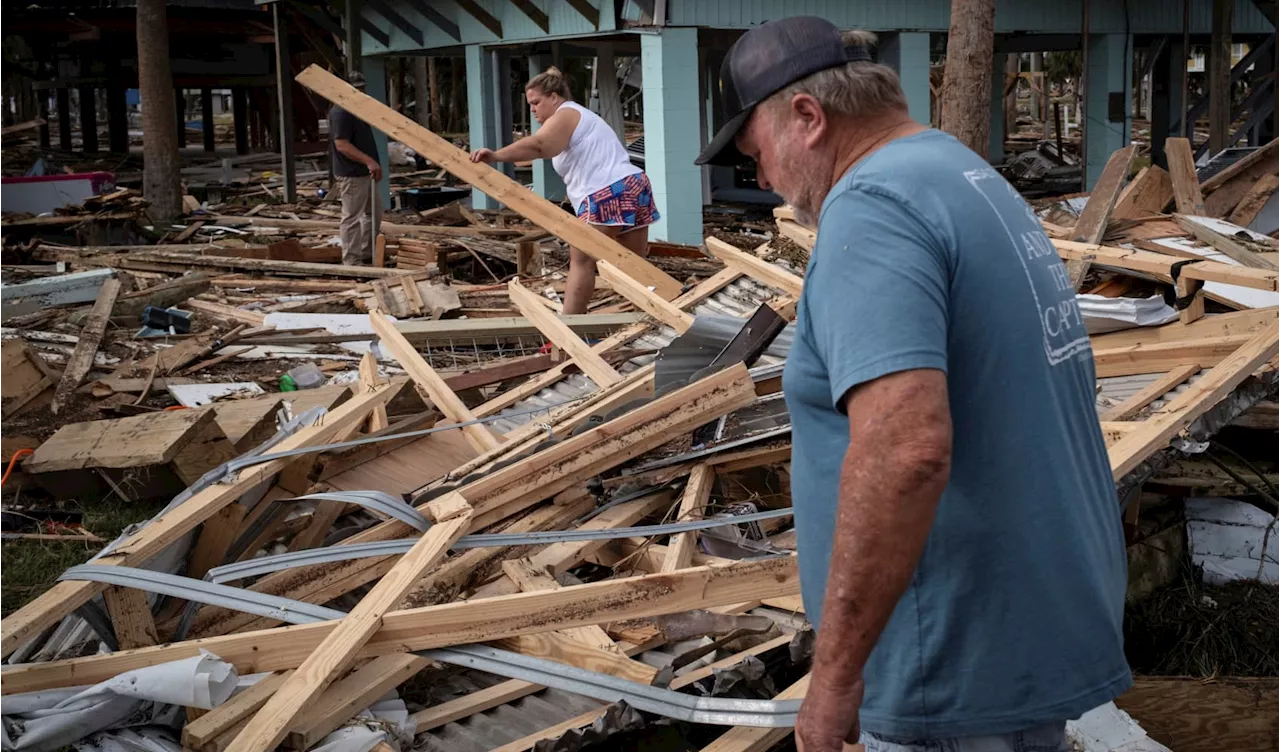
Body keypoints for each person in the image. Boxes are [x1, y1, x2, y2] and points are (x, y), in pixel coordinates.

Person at [695, 17, 1131, 752]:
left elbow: (906, 451)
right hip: (1015, 633)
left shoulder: (873, 210)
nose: (763, 182)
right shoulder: (955, 172)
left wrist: (834, 681)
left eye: (755, 156)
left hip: (948, 660)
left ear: (806, 118)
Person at [469, 66, 658, 314]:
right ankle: (651, 319)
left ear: (555, 97)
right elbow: (544, 152)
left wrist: (495, 155)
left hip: (607, 190)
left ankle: (570, 331)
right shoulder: (580, 119)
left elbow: (539, 146)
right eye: (530, 104)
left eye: (536, 102)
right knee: (635, 265)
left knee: (582, 260)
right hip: (633, 185)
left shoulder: (567, 113)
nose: (533, 109)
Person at [328, 71, 383, 266]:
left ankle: (367, 253)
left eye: (362, 87)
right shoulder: (341, 111)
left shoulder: (357, 109)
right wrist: (369, 161)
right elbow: (341, 144)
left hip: (364, 173)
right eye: (356, 88)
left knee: (373, 214)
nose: (360, 91)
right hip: (352, 174)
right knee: (352, 217)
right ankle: (352, 260)